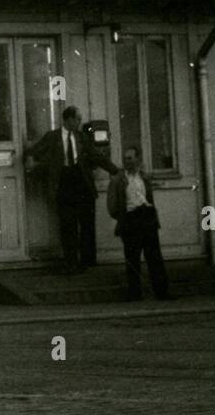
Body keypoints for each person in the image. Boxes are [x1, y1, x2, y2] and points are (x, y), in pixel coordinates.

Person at [25, 106, 117, 273]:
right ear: (67, 120)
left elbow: (97, 156)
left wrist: (115, 171)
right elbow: (33, 151)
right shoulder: (52, 137)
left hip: (83, 184)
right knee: (68, 226)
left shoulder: (82, 138)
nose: (80, 122)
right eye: (77, 119)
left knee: (87, 224)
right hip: (64, 184)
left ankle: (88, 262)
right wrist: (30, 159)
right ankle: (71, 263)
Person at [107, 145, 171, 301]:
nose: (127, 162)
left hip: (147, 218)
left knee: (154, 258)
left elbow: (150, 198)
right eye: (125, 159)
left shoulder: (144, 178)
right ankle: (135, 294)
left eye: (130, 158)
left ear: (138, 159)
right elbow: (112, 206)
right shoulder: (118, 180)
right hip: (131, 219)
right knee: (132, 259)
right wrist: (124, 218)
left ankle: (162, 292)